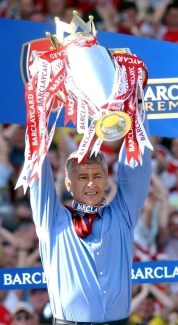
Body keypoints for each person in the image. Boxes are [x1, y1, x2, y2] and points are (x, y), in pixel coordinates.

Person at [25, 91, 152, 325]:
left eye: (97, 176)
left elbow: (137, 166)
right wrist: (39, 112)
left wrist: (137, 107)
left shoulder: (122, 215)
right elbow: (37, 172)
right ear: (69, 184)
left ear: (106, 180)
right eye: (83, 177)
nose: (91, 183)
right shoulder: (51, 220)